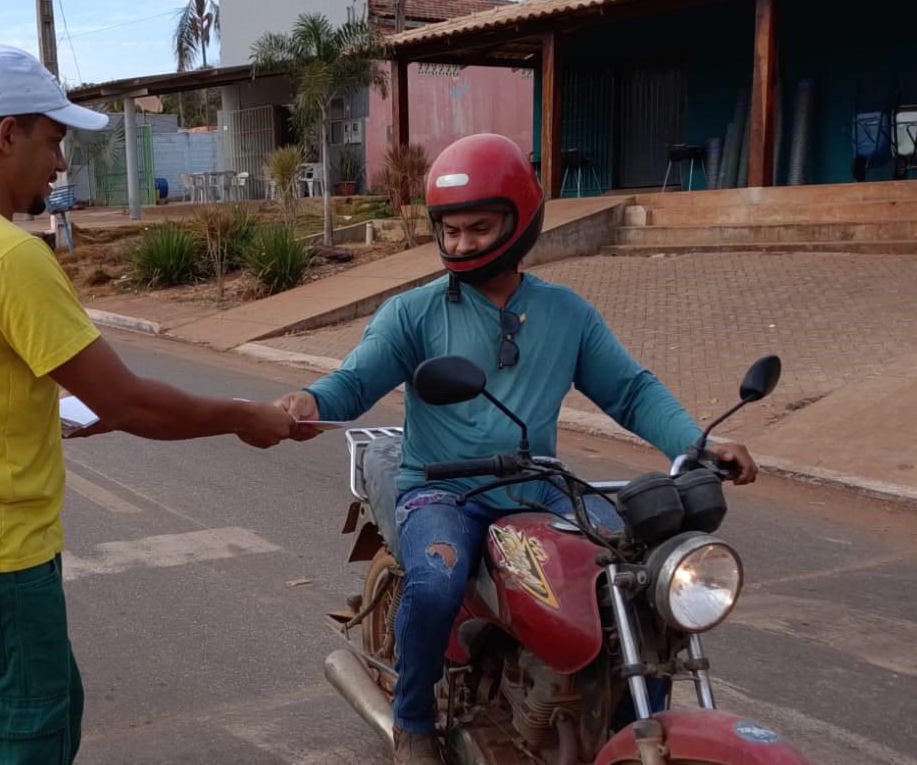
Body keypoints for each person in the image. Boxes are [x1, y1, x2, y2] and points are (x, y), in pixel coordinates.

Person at [0, 44, 302, 765]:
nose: (60, 162)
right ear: (6, 133)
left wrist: (36, 411)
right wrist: (244, 415)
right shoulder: (7, 255)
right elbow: (129, 401)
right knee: (26, 742)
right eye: (53, 139)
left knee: (45, 715)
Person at [275, 133, 757, 764]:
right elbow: (355, 381)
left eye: (480, 227)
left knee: (639, 577)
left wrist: (699, 444)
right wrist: (311, 403)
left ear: (521, 221)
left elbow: (632, 391)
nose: (462, 244)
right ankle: (413, 722)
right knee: (436, 580)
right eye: (451, 230)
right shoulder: (413, 313)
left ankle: (627, 723)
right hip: (443, 490)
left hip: (538, 487)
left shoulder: (566, 314)